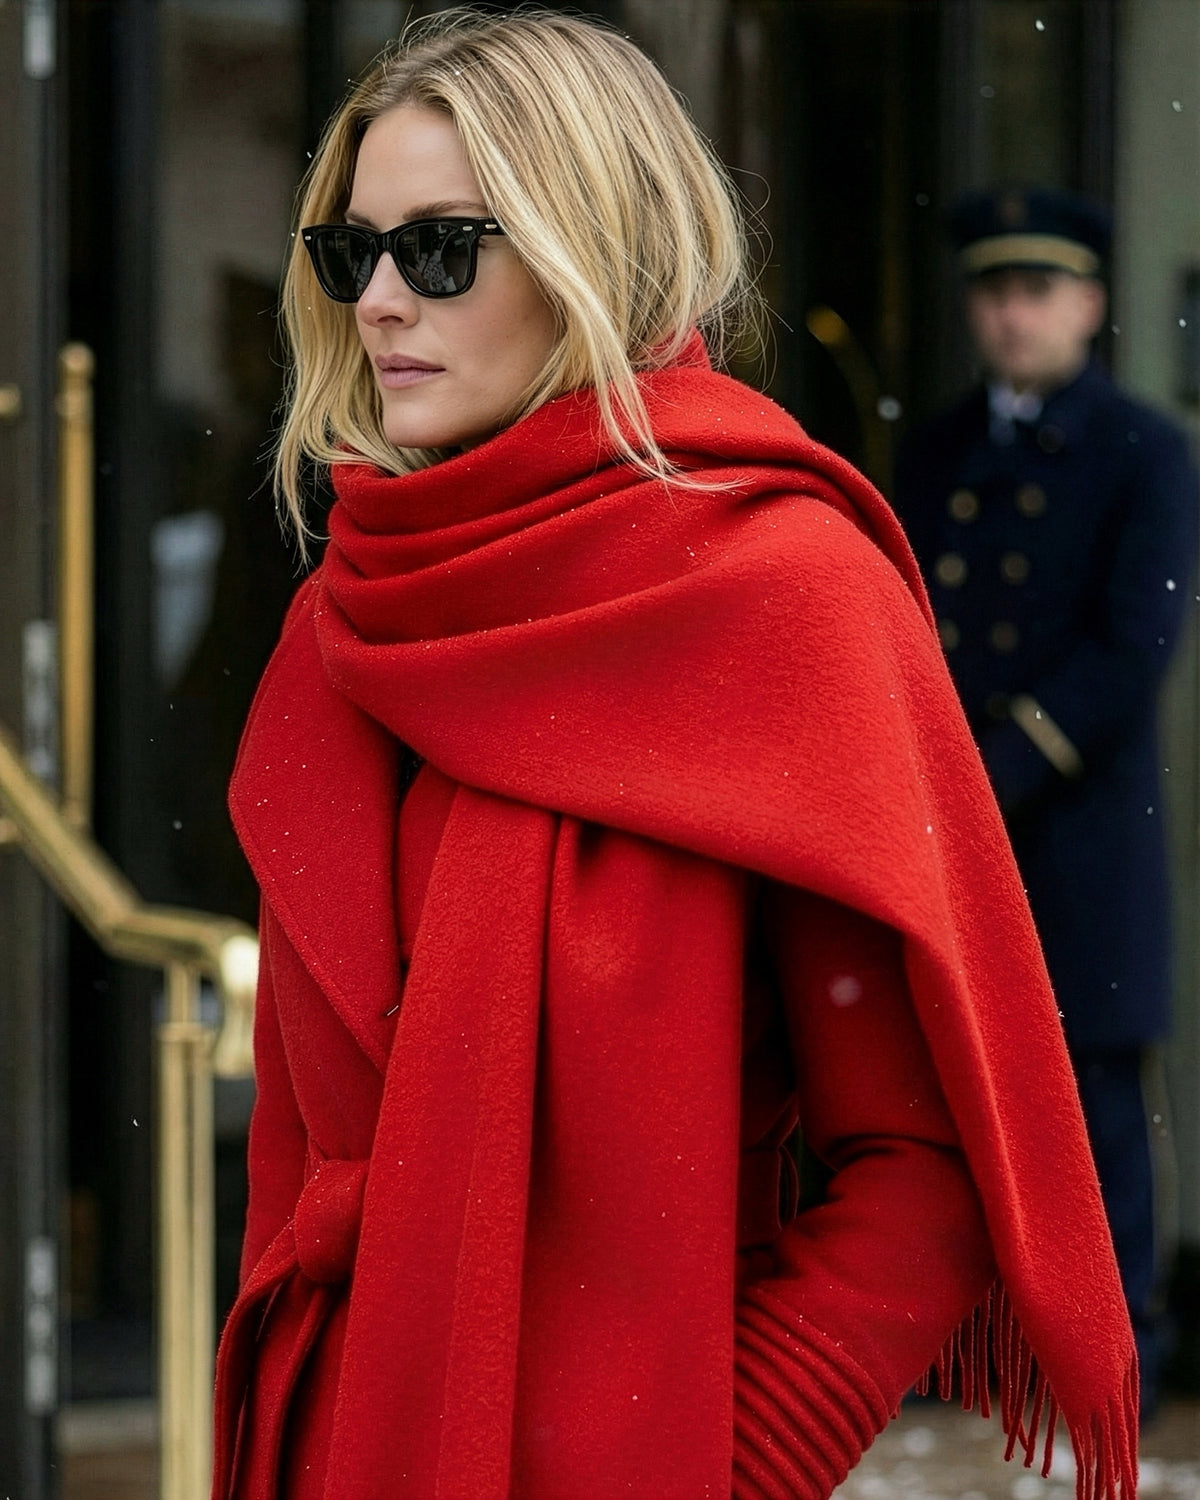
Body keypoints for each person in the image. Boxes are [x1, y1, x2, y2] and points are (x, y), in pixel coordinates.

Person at [212, 16, 1138, 1499]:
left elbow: (930, 1168)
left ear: (594, 248)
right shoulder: (347, 621)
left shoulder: (779, 597)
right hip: (341, 1443)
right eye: (349, 252)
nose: (379, 303)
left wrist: (724, 1454)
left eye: (441, 249)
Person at [894, 184, 1198, 1419]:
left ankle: (1113, 1351)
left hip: (1074, 833)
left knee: (1091, 1098)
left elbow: (1133, 650)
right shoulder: (941, 448)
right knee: (950, 1092)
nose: (1013, 317)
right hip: (949, 830)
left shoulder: (1144, 449)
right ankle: (961, 1342)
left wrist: (988, 770)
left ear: (1090, 304)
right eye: (995, 293)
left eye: (1038, 292)